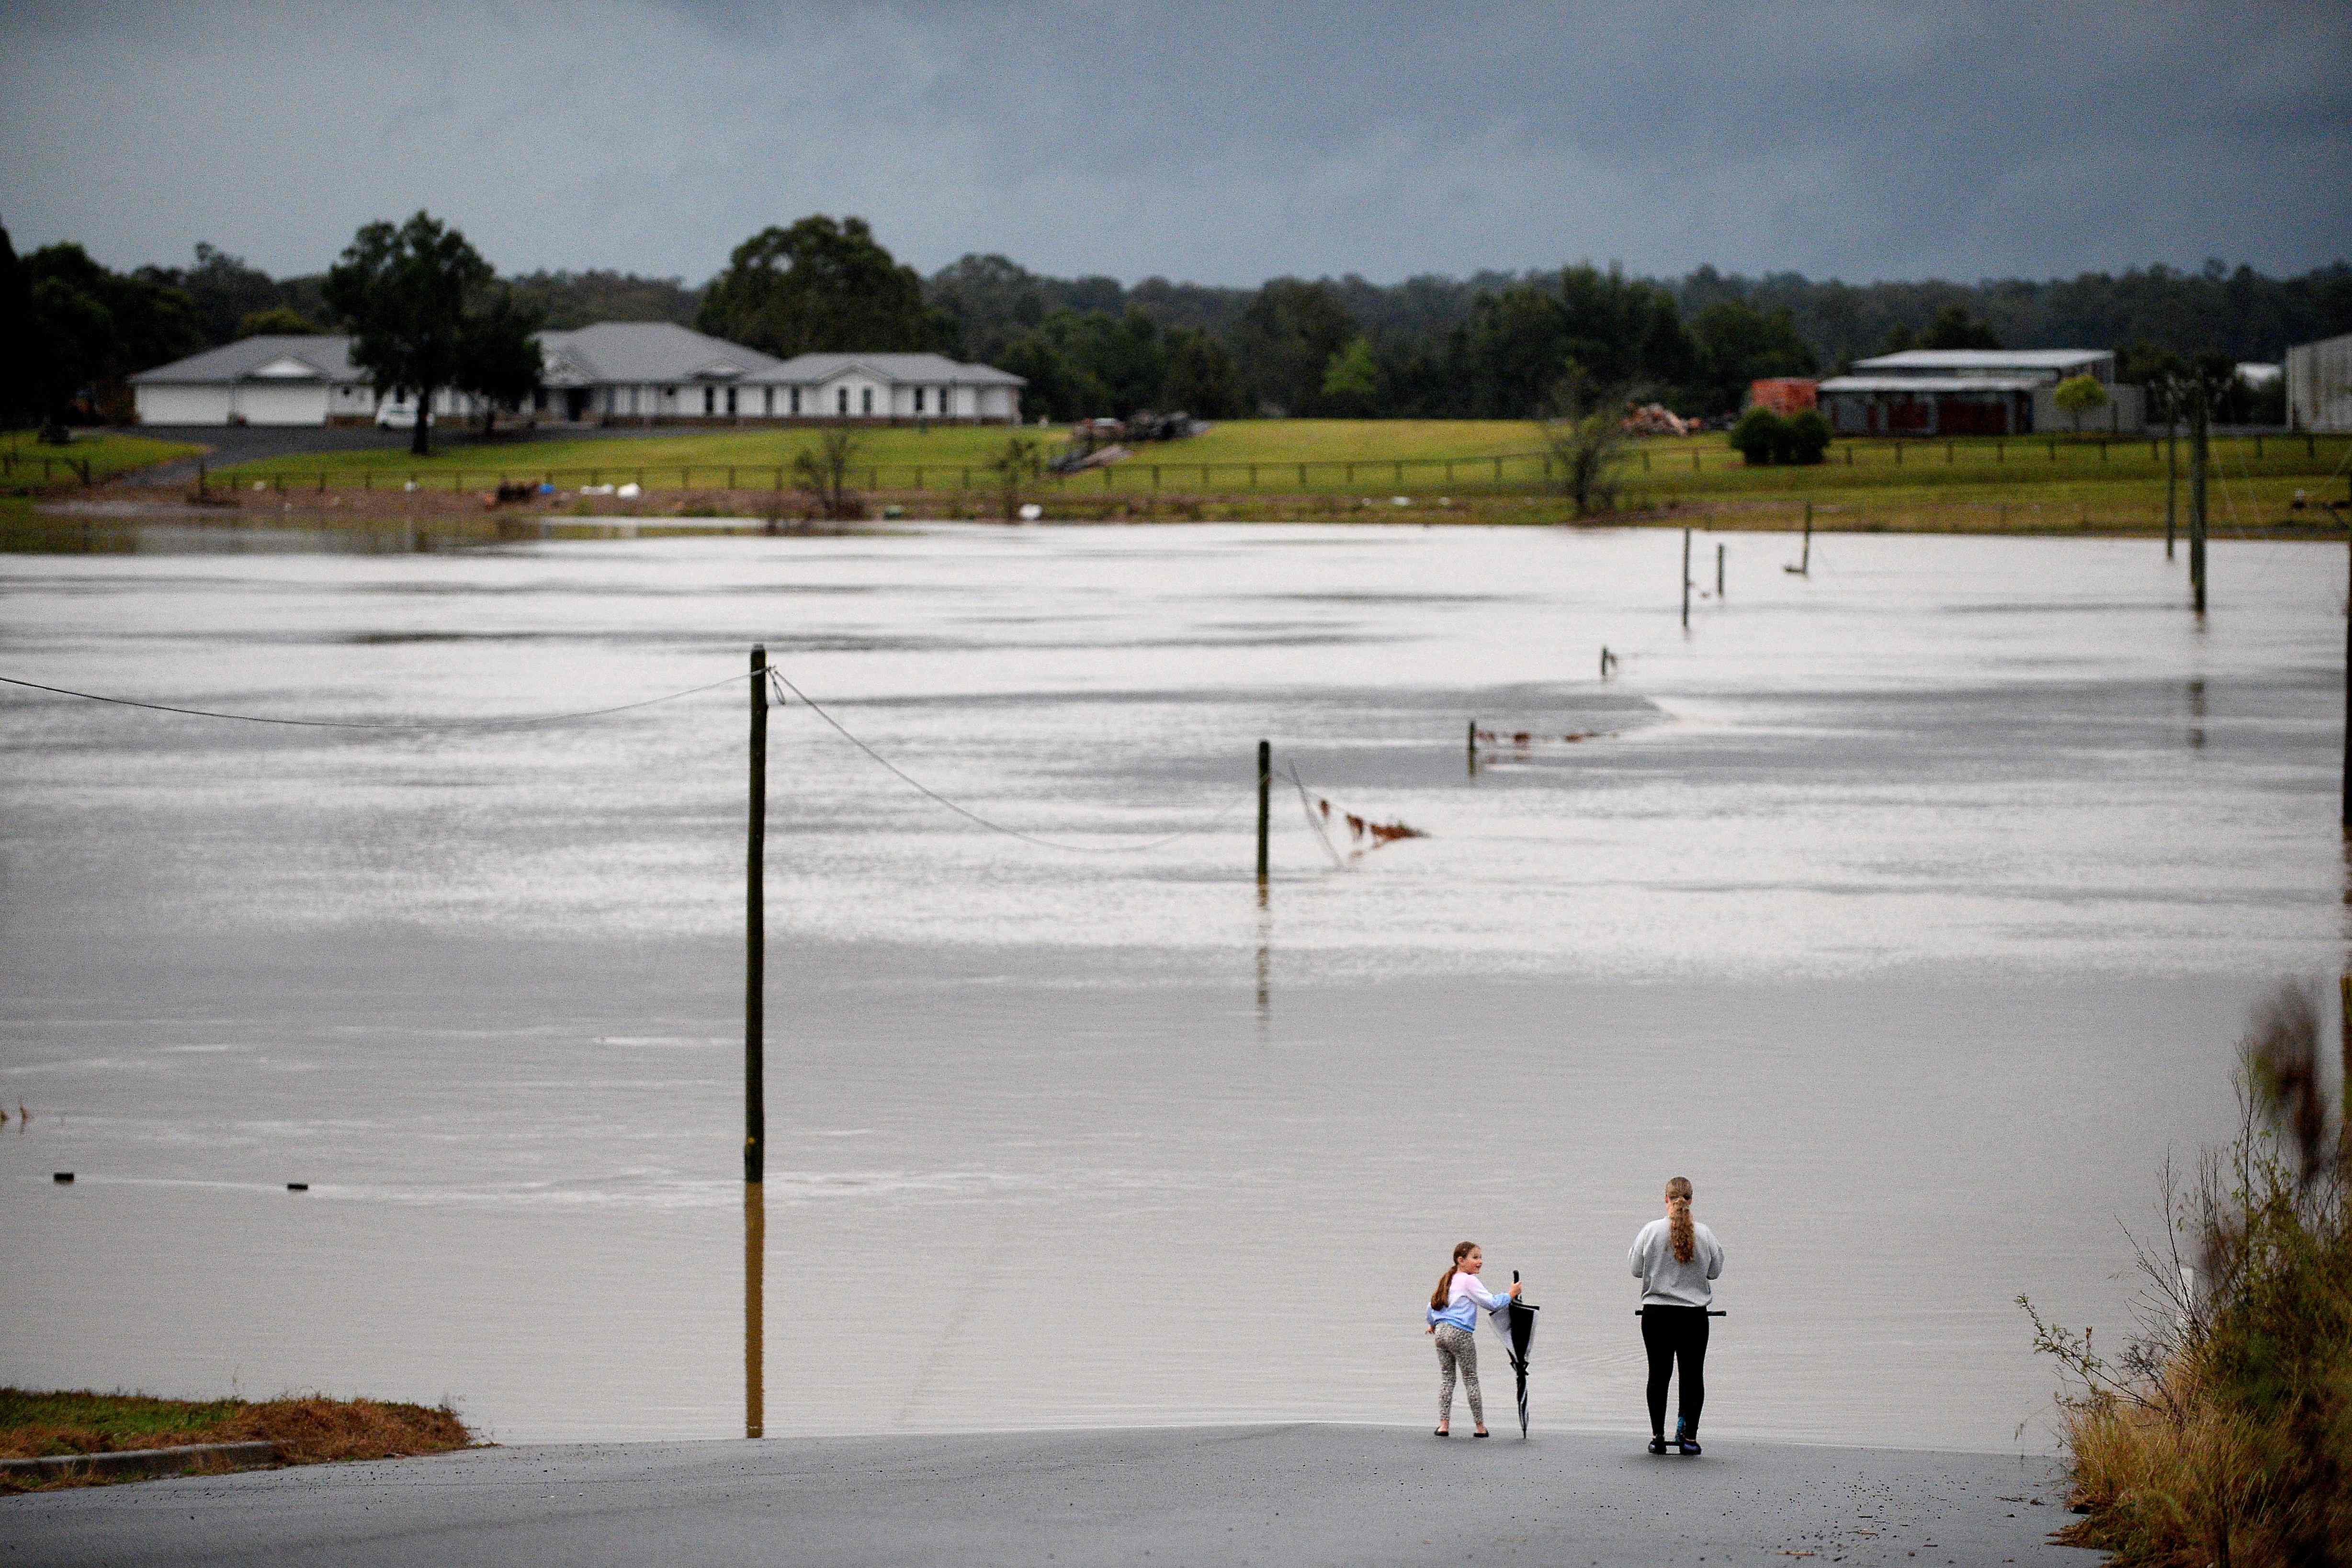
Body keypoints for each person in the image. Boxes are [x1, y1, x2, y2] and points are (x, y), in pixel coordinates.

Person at [1629, 1177, 1724, 1455]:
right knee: (1692, 1376)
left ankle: (1657, 1437)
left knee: (1658, 1375)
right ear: (1691, 1200)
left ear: (1666, 1200)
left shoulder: (1650, 1231)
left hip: (1656, 1315)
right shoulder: (1705, 1234)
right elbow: (1715, 1272)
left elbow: (1636, 1269)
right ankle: (1689, 1437)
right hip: (1693, 1318)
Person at [1425, 1241, 1519, 1437]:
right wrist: (1510, 1295)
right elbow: (1491, 1303)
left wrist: (1432, 1323)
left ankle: (1443, 1426)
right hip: (1459, 1334)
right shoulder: (1468, 1281)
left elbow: (1432, 1305)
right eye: (1475, 1258)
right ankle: (1480, 1428)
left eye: (1480, 1257)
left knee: (1447, 1379)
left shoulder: (1448, 1280)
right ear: (1461, 1261)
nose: (1480, 1262)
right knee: (1470, 1378)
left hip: (1441, 1333)